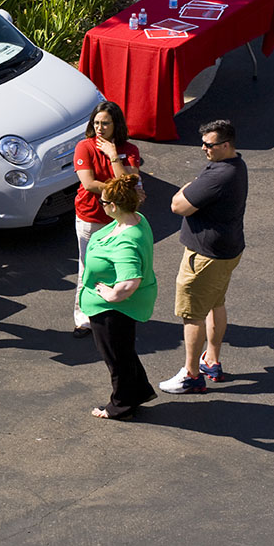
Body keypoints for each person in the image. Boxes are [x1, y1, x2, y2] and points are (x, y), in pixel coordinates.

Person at [160, 120, 248, 394]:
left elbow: (178, 206)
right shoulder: (236, 165)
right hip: (227, 252)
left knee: (192, 315)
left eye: (209, 145)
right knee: (215, 304)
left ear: (225, 145)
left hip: (204, 258)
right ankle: (211, 360)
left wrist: (185, 188)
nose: (203, 149)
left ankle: (191, 375)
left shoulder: (218, 177)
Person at [79, 174, 158, 420]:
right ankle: (139, 391)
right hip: (117, 308)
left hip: (114, 311)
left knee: (116, 358)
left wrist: (111, 294)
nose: (101, 205)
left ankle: (121, 406)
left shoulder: (126, 242)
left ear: (114, 206)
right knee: (124, 351)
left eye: (103, 203)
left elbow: (130, 281)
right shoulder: (135, 219)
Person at [72, 101, 143, 338]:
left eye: (106, 123)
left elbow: (131, 183)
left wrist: (114, 156)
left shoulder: (128, 150)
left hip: (119, 221)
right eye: (97, 123)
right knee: (88, 268)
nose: (100, 128)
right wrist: (120, 192)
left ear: (116, 125)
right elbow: (89, 183)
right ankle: (83, 318)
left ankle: (113, 310)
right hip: (91, 218)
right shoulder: (84, 147)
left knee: (118, 267)